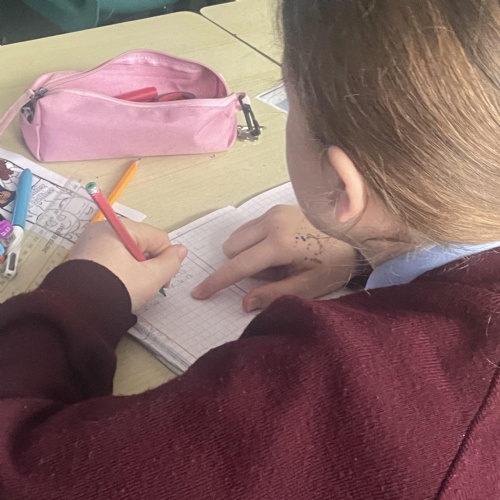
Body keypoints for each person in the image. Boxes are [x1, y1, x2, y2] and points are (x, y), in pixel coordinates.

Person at [1, 0, 499, 498]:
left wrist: (83, 298)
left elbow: (25, 471)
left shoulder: (340, 382)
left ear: (344, 186)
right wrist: (370, 243)